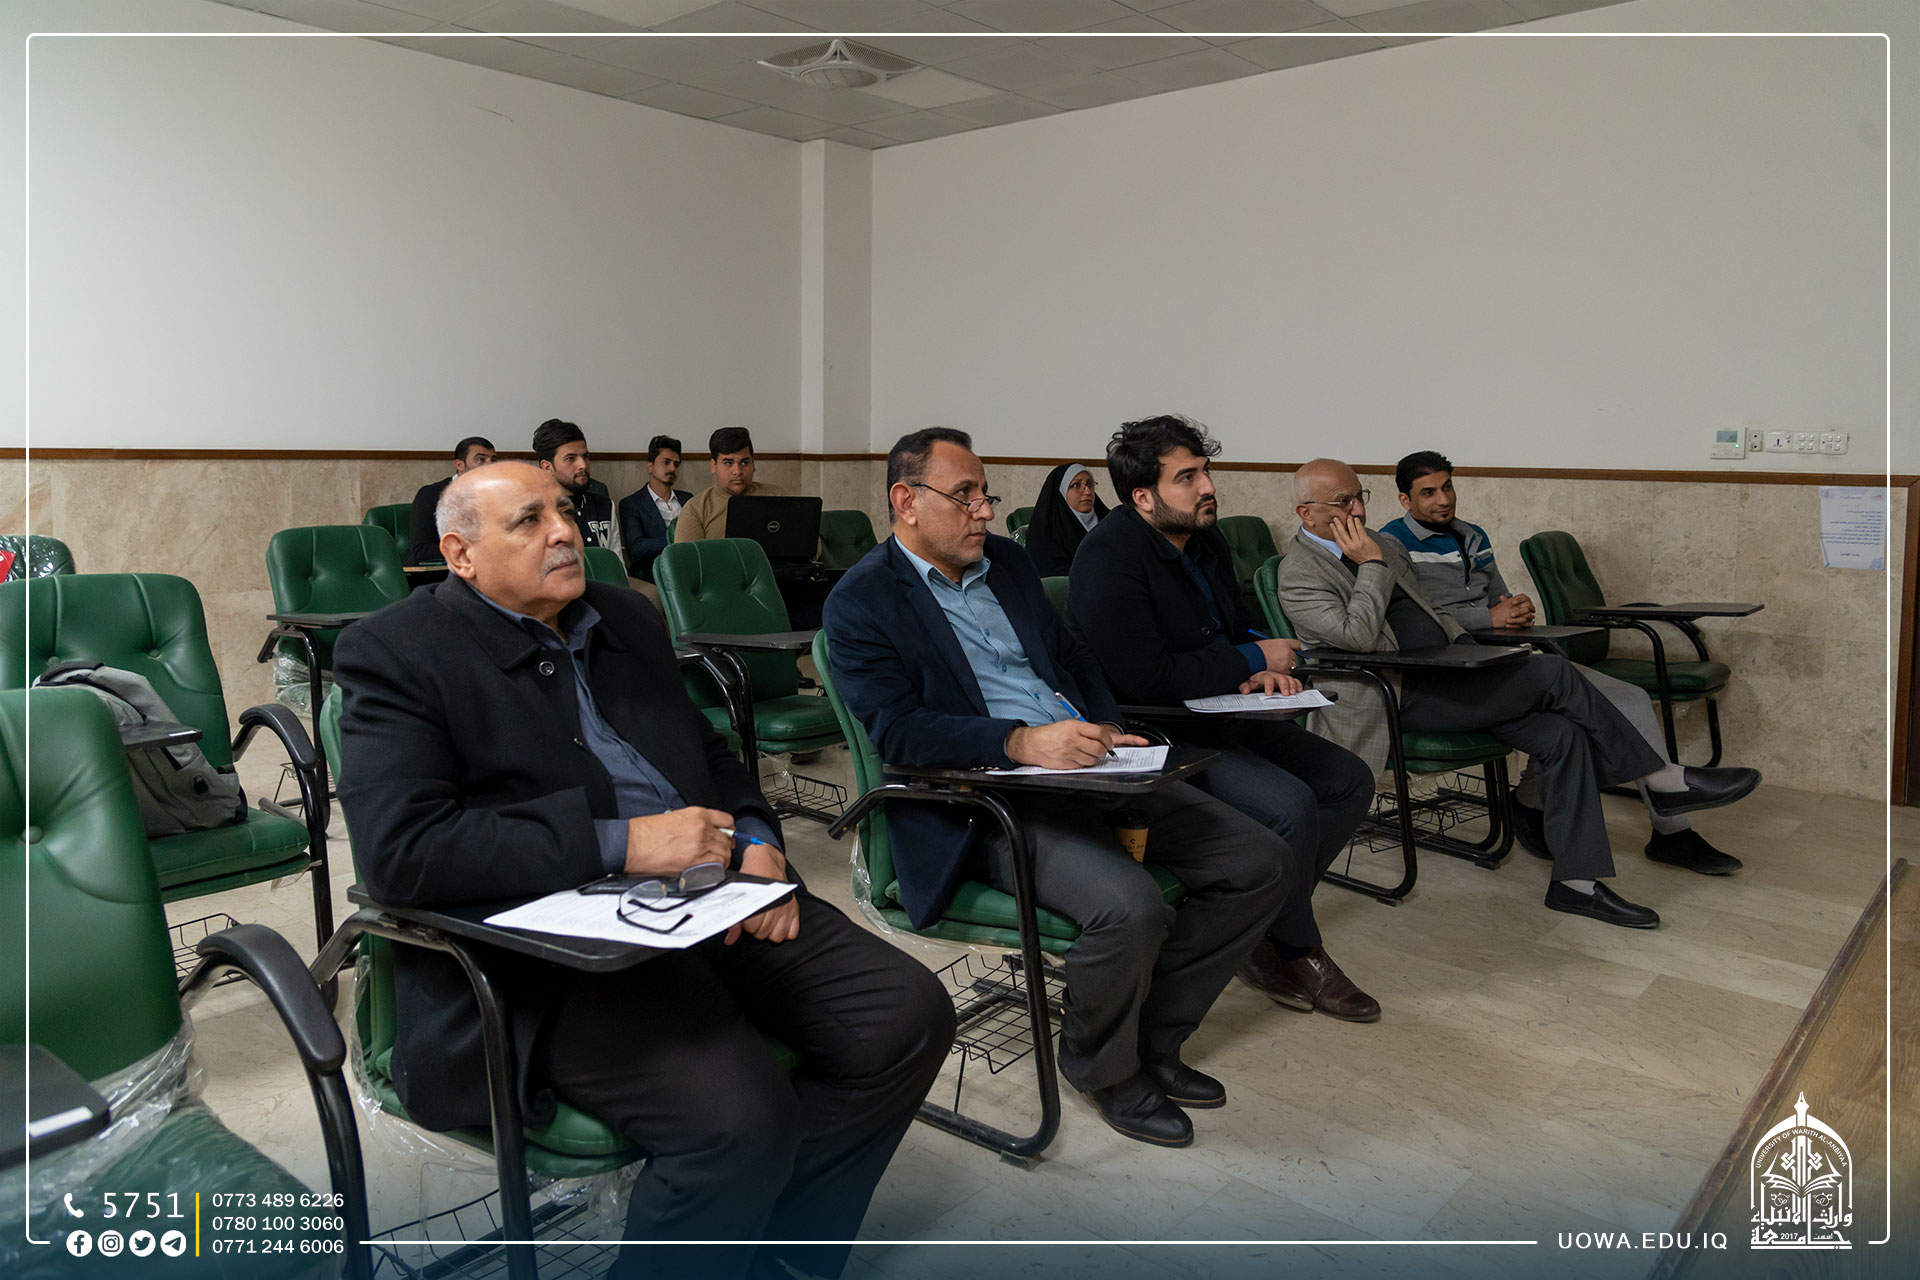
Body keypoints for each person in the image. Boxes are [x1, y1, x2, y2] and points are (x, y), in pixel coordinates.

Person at [333, 462, 952, 1280]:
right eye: (528, 520)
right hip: (548, 956)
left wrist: (757, 833)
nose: (564, 532)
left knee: (906, 1015)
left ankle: (778, 1250)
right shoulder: (395, 651)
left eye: (564, 512)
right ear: (460, 554)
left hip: (712, 895)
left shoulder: (622, 614)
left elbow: (704, 752)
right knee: (737, 1121)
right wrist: (622, 844)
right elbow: (404, 851)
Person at [824, 428, 1291, 1149]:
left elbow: (1071, 654)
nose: (985, 511)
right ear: (906, 501)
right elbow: (900, 732)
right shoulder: (862, 600)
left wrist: (1109, 726)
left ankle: (1150, 1038)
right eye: (965, 496)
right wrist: (1018, 743)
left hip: (1090, 769)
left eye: (986, 494)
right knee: (1128, 906)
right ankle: (1103, 1067)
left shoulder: (1007, 564)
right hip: (983, 800)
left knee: (1258, 862)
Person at [1276, 459, 1759, 930]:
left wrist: (1468, 649)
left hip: (1449, 675)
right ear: (1307, 513)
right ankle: (1661, 779)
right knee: (1552, 671)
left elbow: (1431, 611)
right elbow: (1358, 637)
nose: (1359, 511)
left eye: (1360, 496)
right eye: (1343, 502)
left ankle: (1576, 883)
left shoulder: (1377, 542)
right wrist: (1371, 565)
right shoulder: (1301, 572)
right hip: (1395, 697)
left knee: (1562, 733)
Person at [1069, 416, 1379, 1021]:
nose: (1208, 487)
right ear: (1143, 498)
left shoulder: (1204, 538)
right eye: (1187, 478)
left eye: (1205, 472)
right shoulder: (1107, 558)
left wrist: (1263, 663)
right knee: (1290, 806)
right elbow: (1145, 679)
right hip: (1157, 729)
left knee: (1348, 780)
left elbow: (1236, 630)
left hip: (1223, 707)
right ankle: (1298, 948)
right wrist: (1251, 659)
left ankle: (1255, 926)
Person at [1380, 451, 1760, 876]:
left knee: (1630, 698)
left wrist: (1515, 610)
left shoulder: (1473, 535)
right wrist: (1488, 618)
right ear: (1404, 500)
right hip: (1455, 674)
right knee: (1569, 714)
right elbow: (1416, 619)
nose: (1443, 499)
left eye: (1447, 487)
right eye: (1428, 492)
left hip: (1504, 655)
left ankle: (1667, 832)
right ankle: (1572, 811)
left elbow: (1499, 598)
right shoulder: (1391, 543)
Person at [674, 426, 789, 543]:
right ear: (714, 466)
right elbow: (686, 554)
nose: (737, 471)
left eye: (744, 462)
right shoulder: (696, 509)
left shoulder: (778, 496)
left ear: (753, 464)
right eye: (728, 463)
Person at [531, 418, 620, 560]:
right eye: (570, 458)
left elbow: (616, 563)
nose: (583, 465)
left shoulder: (605, 506)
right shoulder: (534, 513)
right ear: (547, 467)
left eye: (585, 456)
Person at [405, 435, 495, 566]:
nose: (490, 465)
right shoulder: (431, 494)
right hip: (437, 573)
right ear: (459, 465)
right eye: (481, 459)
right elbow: (421, 551)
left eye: (493, 459)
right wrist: (471, 551)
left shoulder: (496, 496)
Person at [618, 434, 691, 583]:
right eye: (666, 462)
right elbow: (637, 547)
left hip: (691, 570)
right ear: (650, 467)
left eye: (676, 464)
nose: (672, 468)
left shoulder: (688, 499)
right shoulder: (631, 504)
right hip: (654, 575)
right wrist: (677, 539)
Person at [1023, 461, 1109, 576]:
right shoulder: (1045, 532)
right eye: (1076, 485)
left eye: (1090, 484)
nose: (1087, 491)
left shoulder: (1110, 523)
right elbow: (1052, 575)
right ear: (1061, 492)